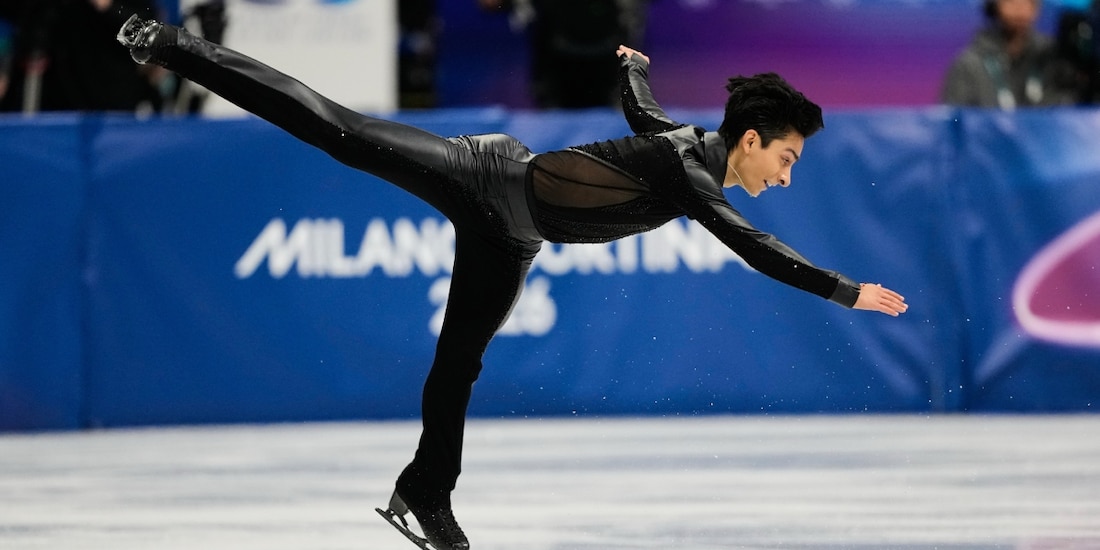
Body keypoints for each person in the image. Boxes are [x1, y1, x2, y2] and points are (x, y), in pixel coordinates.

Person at [116, 14, 908, 550]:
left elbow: (641, 109)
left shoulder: (687, 148)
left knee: (459, 362)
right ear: (752, 139)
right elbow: (749, 242)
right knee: (343, 132)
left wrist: (631, 67)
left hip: (513, 237)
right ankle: (173, 46)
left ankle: (425, 492)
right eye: (788, 158)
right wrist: (844, 290)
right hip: (486, 176)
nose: (787, 175)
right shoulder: (687, 168)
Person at [941, 0, 1076, 108]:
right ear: (994, 7)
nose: (1020, 7)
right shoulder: (969, 65)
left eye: (1028, 1)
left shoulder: (1052, 59)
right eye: (1011, 1)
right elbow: (952, 123)